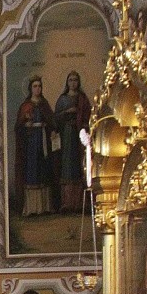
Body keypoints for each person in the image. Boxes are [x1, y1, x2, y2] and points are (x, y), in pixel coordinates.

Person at [15, 76, 55, 214]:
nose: (37, 89)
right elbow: (18, 127)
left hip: (43, 141)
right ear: (30, 88)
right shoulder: (25, 106)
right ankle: (32, 208)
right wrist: (26, 124)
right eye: (35, 86)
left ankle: (45, 207)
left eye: (39, 86)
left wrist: (49, 127)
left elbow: (51, 121)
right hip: (31, 143)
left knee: (44, 171)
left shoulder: (44, 104)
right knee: (32, 171)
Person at [54, 71, 91, 212]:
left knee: (79, 166)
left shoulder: (82, 98)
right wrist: (67, 112)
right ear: (67, 82)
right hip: (67, 135)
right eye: (70, 80)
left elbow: (88, 115)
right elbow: (56, 118)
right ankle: (67, 202)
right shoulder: (62, 99)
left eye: (75, 80)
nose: (73, 83)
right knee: (67, 166)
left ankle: (79, 203)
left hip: (79, 134)